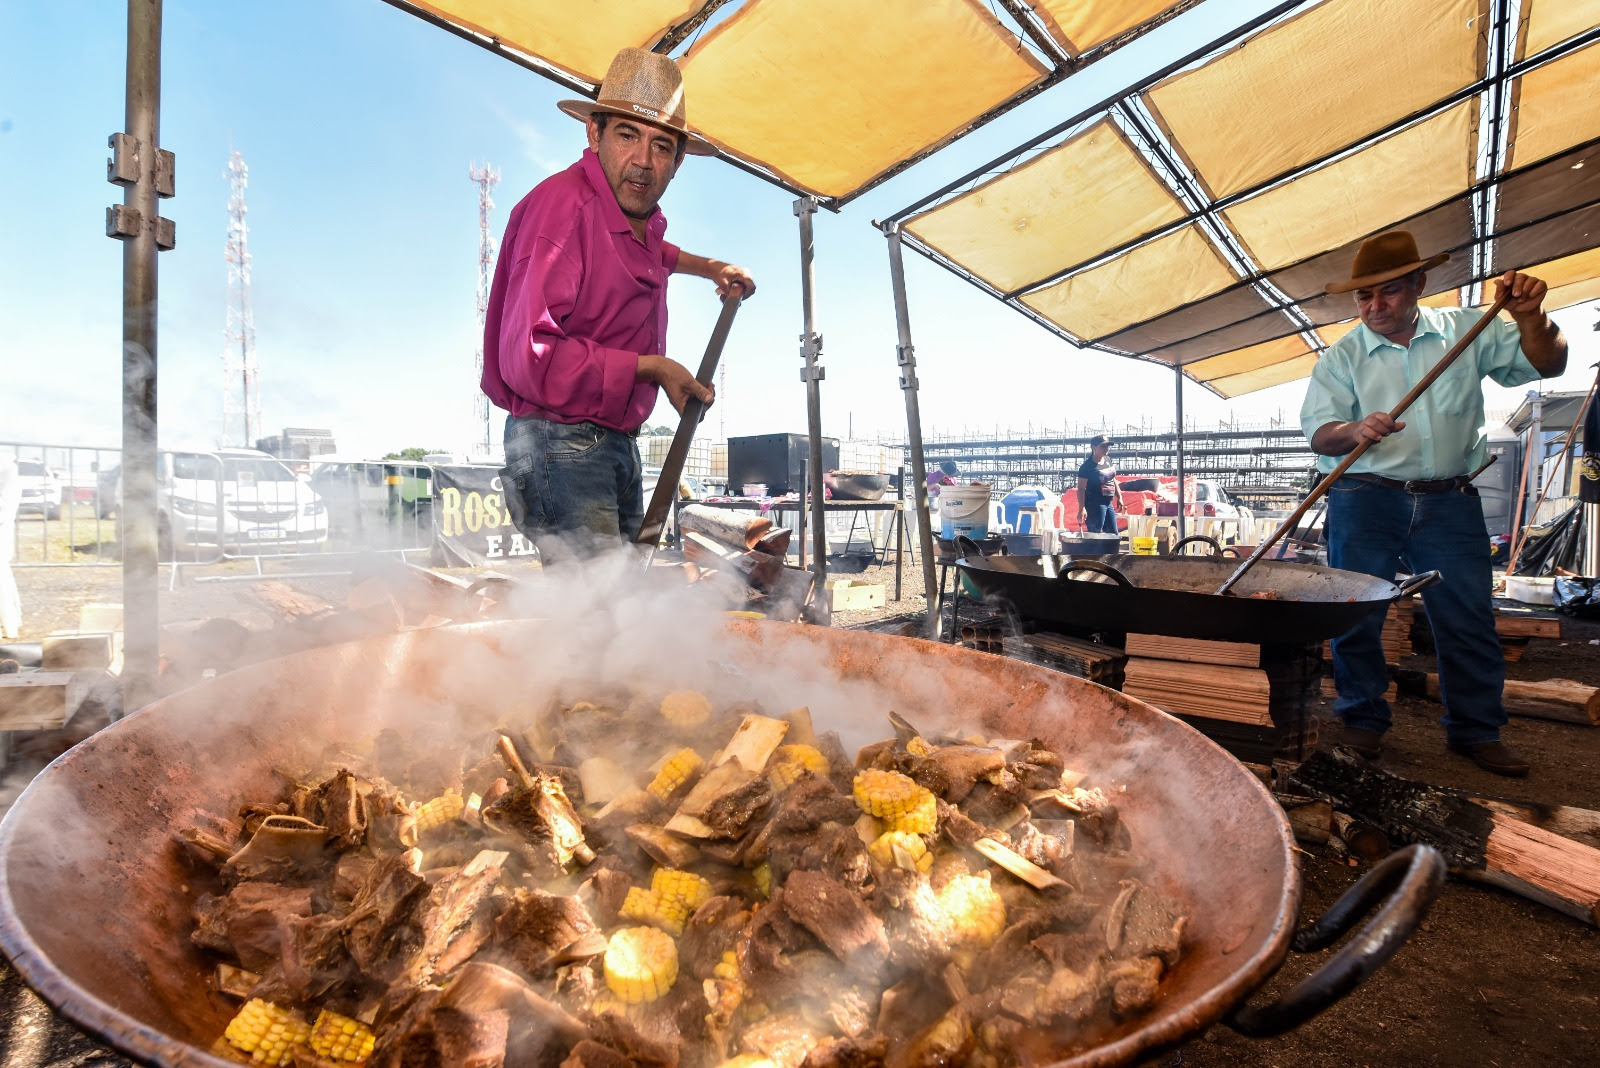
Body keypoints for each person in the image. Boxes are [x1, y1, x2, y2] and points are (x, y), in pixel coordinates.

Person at [1301, 230, 1567, 777]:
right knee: (1358, 614)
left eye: (1390, 292)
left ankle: (1476, 731)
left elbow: (1550, 365)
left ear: (1420, 284)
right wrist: (1352, 429)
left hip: (1449, 499)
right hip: (1363, 498)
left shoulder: (1468, 330)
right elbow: (1319, 435)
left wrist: (1531, 318)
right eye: (1364, 297)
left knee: (1467, 614)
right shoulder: (1342, 356)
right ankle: (1362, 720)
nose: (1375, 307)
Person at [481, 47, 756, 559]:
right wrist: (654, 368)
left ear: (677, 162)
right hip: (558, 442)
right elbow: (531, 357)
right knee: (599, 616)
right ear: (594, 134)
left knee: (624, 609)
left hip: (612, 438)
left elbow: (656, 251)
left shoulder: (638, 219)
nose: (643, 162)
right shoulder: (562, 210)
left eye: (661, 147)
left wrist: (711, 267)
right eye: (627, 135)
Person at [1076, 434, 1123, 533]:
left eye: (1107, 446)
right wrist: (1081, 508)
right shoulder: (1087, 467)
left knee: (1113, 534)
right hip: (1095, 504)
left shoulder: (1108, 460)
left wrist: (1119, 497)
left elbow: (1113, 479)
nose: (1106, 448)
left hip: (1108, 502)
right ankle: (1092, 549)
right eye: (1103, 446)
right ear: (1094, 447)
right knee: (1095, 533)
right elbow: (1081, 489)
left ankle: (1110, 549)